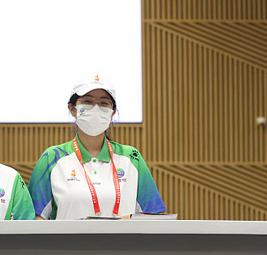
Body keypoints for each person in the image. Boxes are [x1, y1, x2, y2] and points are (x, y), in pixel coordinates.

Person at [28, 77, 166, 219]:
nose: (96, 108)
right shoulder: (52, 157)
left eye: (104, 103)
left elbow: (153, 217)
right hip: (68, 236)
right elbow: (36, 219)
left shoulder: (131, 157)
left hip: (123, 235)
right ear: (72, 109)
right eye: (88, 101)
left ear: (112, 112)